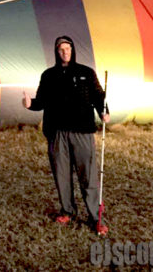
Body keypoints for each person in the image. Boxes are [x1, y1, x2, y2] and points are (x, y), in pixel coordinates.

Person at [23, 35, 109, 235]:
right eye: (61, 49)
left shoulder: (86, 73)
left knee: (87, 175)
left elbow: (98, 96)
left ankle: (95, 217)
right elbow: (41, 102)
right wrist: (29, 104)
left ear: (73, 50)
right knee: (61, 174)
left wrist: (104, 111)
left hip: (82, 131)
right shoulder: (48, 75)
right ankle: (67, 211)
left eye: (68, 49)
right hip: (57, 132)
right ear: (56, 52)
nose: (65, 52)